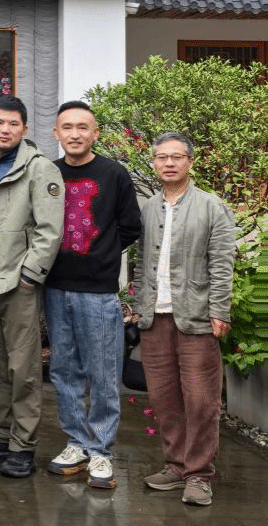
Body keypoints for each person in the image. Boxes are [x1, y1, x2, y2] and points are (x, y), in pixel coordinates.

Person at [0, 94, 63, 478]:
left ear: (24, 129)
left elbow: (49, 230)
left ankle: (23, 445)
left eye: (13, 124)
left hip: (18, 283)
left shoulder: (39, 168)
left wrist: (30, 275)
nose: (5, 130)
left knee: (23, 367)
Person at [43, 101, 141, 488]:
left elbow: (130, 226)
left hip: (98, 291)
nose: (75, 134)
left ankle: (100, 450)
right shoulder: (47, 172)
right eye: (67, 127)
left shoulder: (113, 173)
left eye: (83, 127)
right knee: (64, 371)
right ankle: (76, 443)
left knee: (103, 373)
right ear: (56, 133)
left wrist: (102, 255)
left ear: (95, 133)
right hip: (55, 288)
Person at [135, 132, 235, 507]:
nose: (169, 163)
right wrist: (138, 304)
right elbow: (141, 261)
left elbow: (222, 264)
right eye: (162, 157)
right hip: (154, 317)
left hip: (197, 317)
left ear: (190, 162)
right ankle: (176, 466)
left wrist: (219, 309)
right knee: (164, 398)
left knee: (201, 401)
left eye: (176, 157)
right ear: (154, 163)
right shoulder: (147, 208)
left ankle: (199, 474)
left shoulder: (212, 206)